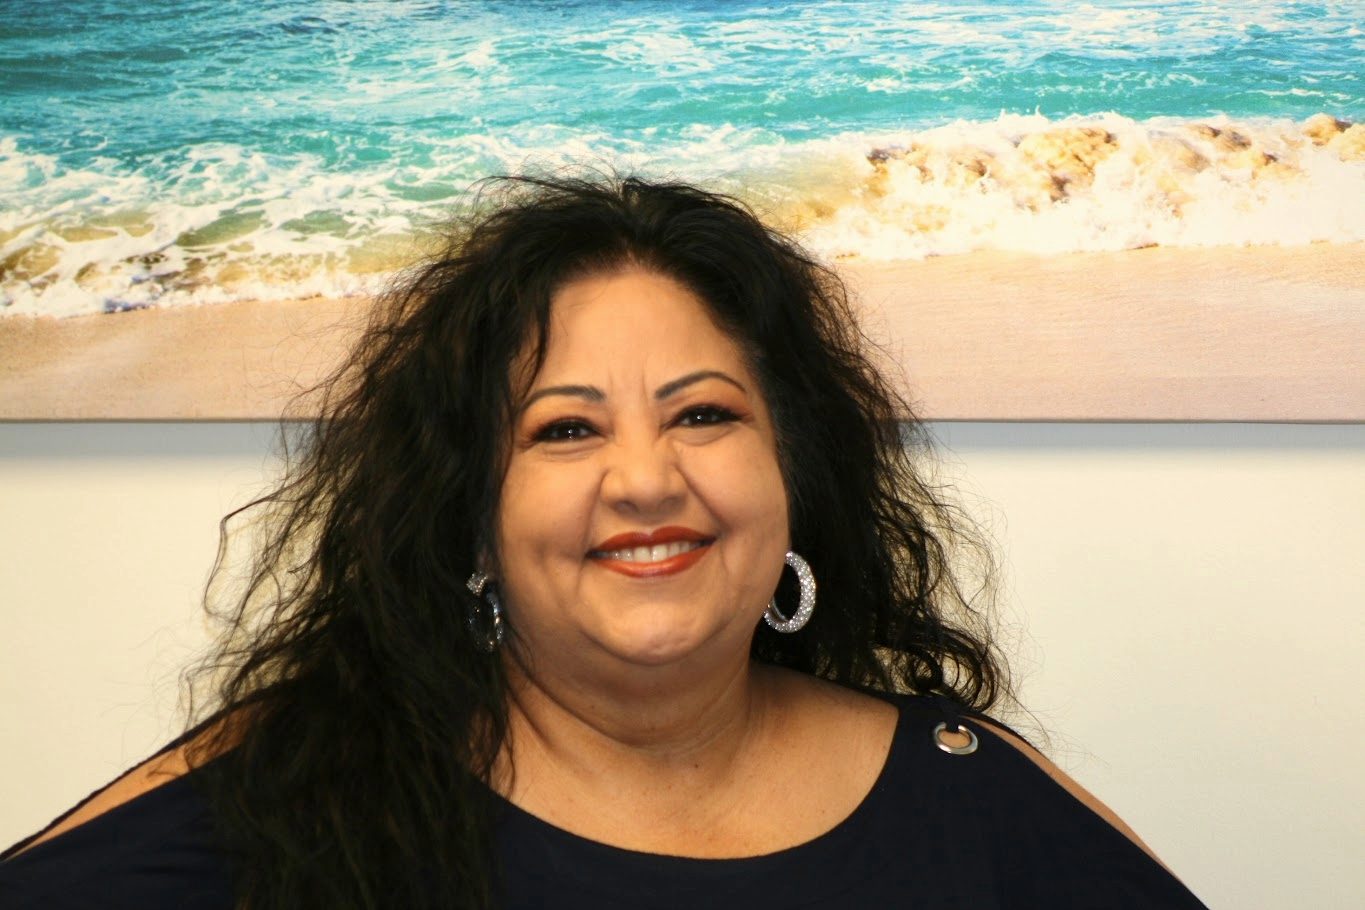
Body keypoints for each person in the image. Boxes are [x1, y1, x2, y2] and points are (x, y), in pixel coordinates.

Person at [0, 174, 1208, 909]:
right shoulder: (309, 790)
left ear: (791, 468)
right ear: (471, 508)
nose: (645, 478)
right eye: (566, 428)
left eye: (703, 413)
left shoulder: (962, 792)